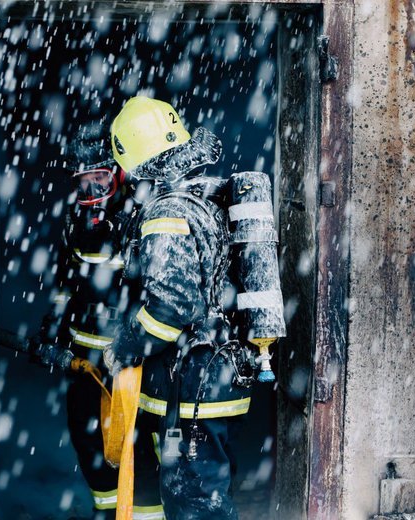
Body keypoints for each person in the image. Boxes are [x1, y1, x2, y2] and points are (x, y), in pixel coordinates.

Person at [105, 96, 278, 519]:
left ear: (132, 165)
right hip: (213, 382)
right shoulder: (203, 198)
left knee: (196, 506)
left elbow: (173, 305)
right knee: (198, 498)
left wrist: (126, 347)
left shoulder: (167, 212)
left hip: (194, 394)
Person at [33, 118, 158, 519]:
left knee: (135, 447)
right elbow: (65, 280)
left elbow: (154, 291)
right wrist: (52, 324)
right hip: (82, 356)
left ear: (119, 174)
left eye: (100, 181)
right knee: (89, 442)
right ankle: (107, 511)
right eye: (83, 183)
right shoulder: (76, 222)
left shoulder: (139, 219)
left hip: (129, 362)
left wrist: (136, 343)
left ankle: (144, 514)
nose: (91, 192)